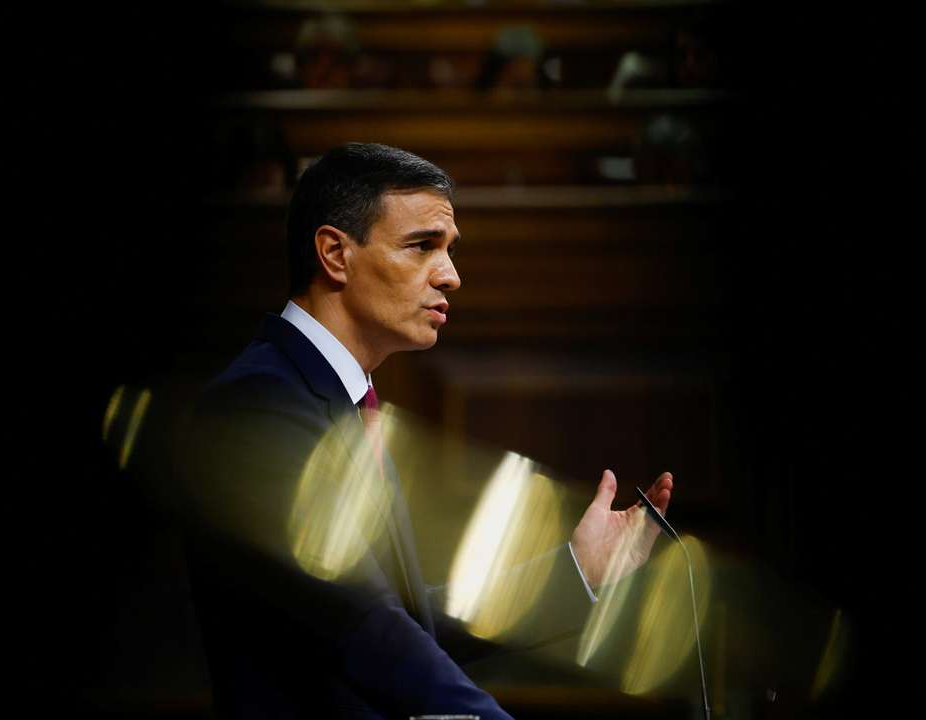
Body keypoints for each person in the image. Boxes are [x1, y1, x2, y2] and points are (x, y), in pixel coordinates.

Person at [186, 143, 674, 719]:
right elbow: (369, 629)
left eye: (449, 249)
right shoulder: (257, 404)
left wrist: (576, 569)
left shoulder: (349, 401)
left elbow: (405, 621)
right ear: (335, 254)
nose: (452, 276)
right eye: (423, 246)